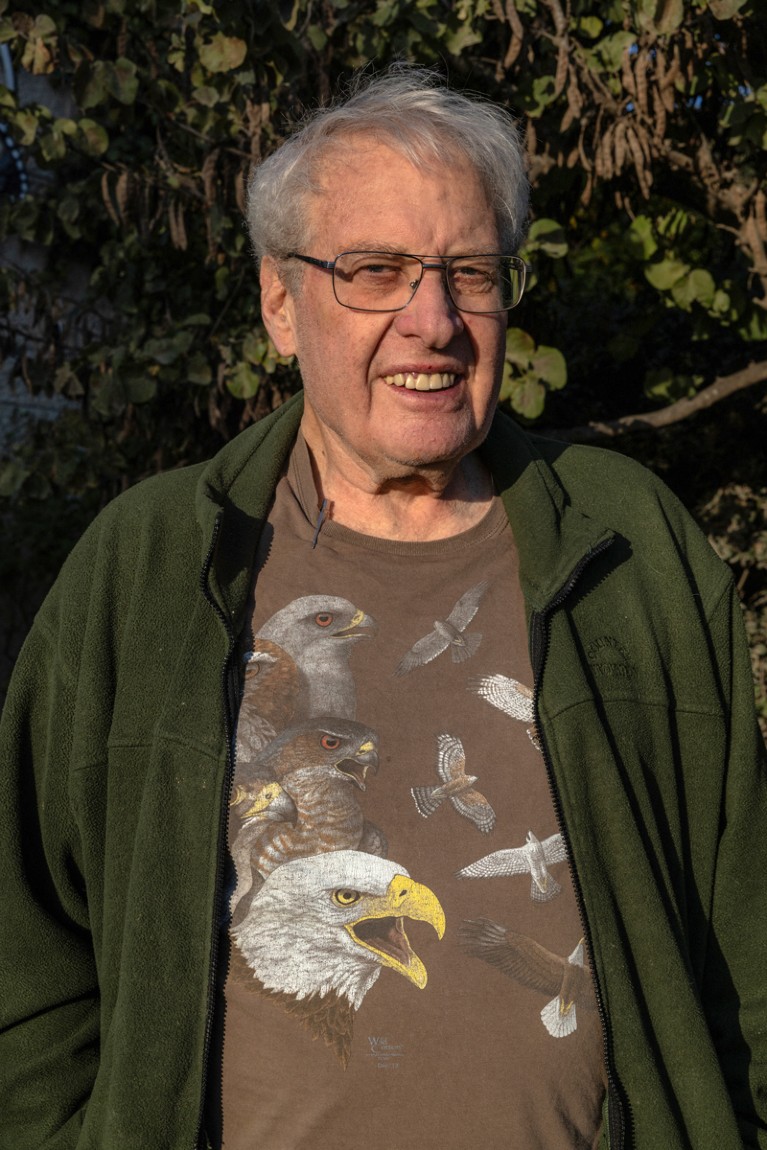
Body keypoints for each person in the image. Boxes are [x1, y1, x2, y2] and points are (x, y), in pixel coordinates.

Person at [1, 66, 765, 1150]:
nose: (433, 320)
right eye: (373, 271)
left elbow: (747, 929)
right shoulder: (153, 564)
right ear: (279, 302)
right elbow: (23, 952)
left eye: (469, 271)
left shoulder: (626, 547)